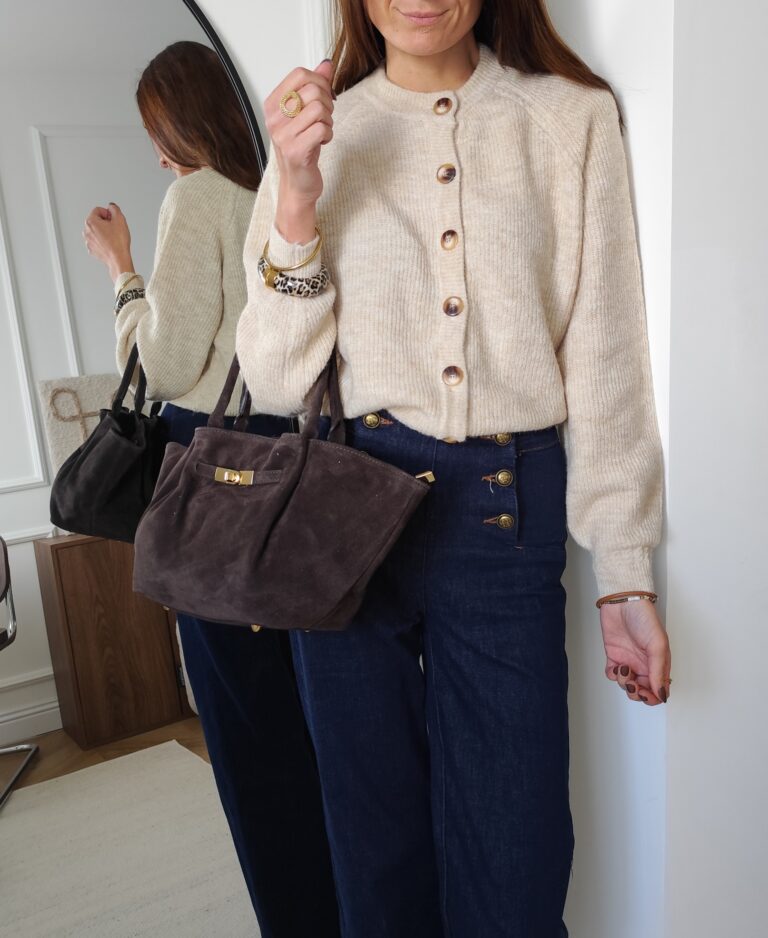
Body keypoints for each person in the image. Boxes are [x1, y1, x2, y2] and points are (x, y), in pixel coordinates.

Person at [236, 1, 671, 936]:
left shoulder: (568, 118)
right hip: (346, 515)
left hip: (506, 510)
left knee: (516, 862)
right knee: (376, 856)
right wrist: (297, 195)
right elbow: (275, 380)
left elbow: (606, 359)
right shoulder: (320, 131)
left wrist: (625, 574)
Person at [82, 40, 340, 938]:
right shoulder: (271, 190)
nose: (158, 155)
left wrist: (121, 273)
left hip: (214, 472)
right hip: (290, 462)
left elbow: (162, 362)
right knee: (307, 723)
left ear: (182, 125)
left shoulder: (196, 197)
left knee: (246, 732)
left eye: (159, 132)